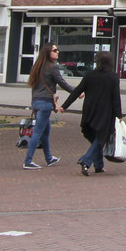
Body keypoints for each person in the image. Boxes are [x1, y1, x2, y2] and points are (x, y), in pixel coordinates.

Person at [62, 52, 124, 177]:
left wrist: (65, 106)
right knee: (101, 139)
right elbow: (115, 97)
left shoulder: (90, 75)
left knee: (96, 139)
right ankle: (86, 160)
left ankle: (99, 165)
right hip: (104, 113)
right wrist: (119, 115)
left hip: (90, 111)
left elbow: (77, 91)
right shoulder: (113, 77)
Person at [23, 42, 75, 170]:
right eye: (55, 50)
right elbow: (62, 83)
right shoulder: (53, 67)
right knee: (37, 132)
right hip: (45, 103)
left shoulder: (37, 66)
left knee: (46, 131)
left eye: (57, 50)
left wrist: (33, 105)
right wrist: (77, 92)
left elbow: (34, 86)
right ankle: (28, 161)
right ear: (48, 52)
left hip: (36, 102)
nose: (58, 52)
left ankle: (49, 158)